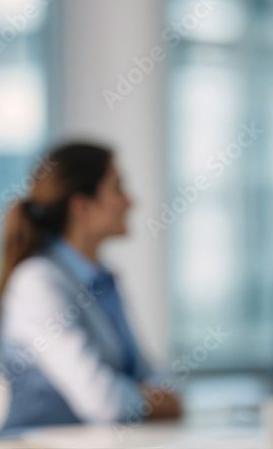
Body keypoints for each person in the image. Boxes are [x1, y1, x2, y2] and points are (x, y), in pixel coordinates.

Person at [0, 142, 181, 431]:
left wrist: (159, 395)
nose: (131, 202)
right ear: (81, 206)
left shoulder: (104, 280)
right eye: (117, 189)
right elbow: (104, 402)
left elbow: (144, 372)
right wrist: (156, 401)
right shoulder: (37, 282)